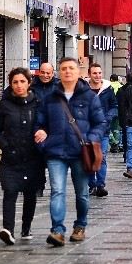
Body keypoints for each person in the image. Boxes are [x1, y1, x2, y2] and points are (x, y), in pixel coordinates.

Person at [34, 57, 107, 247]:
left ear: (78, 72)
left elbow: (100, 123)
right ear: (59, 72)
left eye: (71, 68)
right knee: (57, 191)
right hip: (56, 151)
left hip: (80, 151)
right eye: (64, 68)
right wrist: (41, 133)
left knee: (82, 193)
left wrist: (91, 139)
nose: (67, 72)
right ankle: (57, 230)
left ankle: (80, 225)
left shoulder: (89, 97)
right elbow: (40, 121)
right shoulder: (51, 97)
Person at [0, 68, 45, 245]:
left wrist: (43, 134)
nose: (19, 85)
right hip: (11, 157)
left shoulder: (37, 103)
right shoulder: (5, 105)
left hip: (32, 157)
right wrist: (5, 146)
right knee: (10, 191)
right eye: (15, 82)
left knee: (30, 194)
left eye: (22, 81)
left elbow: (45, 124)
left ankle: (26, 227)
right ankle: (8, 229)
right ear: (11, 84)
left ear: (29, 83)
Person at [87, 63, 116, 197]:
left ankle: (100, 185)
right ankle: (91, 185)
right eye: (95, 73)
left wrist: (107, 118)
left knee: (102, 157)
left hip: (103, 130)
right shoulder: (83, 89)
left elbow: (114, 106)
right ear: (89, 74)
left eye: (99, 73)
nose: (98, 75)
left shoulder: (107, 89)